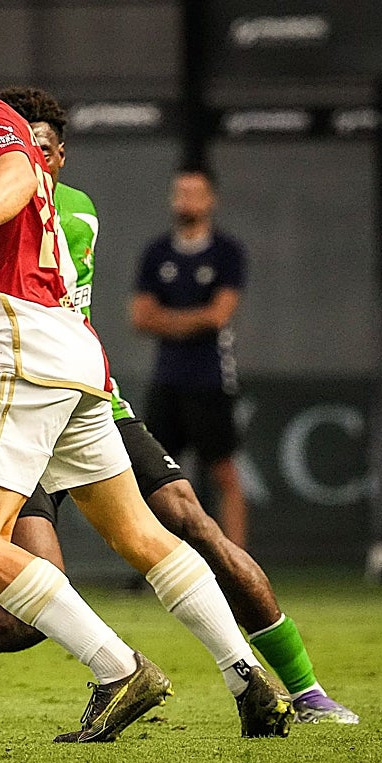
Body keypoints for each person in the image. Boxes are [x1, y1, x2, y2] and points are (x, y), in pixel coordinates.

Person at [0, 86, 357, 728]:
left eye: (41, 150)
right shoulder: (18, 218)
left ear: (56, 155)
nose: (29, 159)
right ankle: (244, 680)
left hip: (32, 383)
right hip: (61, 379)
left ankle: (154, 673)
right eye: (22, 148)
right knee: (74, 576)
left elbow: (9, 263)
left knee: (24, 545)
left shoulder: (36, 208)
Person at [0, 0, 294, 744]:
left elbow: (16, 175)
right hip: (72, 354)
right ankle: (248, 677)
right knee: (143, 537)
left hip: (20, 352)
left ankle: (119, 670)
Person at [131, 168, 250, 549]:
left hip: (211, 378)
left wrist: (168, 320)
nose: (187, 201)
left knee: (224, 475)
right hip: (167, 379)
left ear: (210, 199)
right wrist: (191, 320)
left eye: (195, 193)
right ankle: (157, 564)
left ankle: (240, 565)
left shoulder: (226, 253)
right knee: (155, 477)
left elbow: (218, 316)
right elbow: (140, 317)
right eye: (180, 193)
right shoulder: (157, 254)